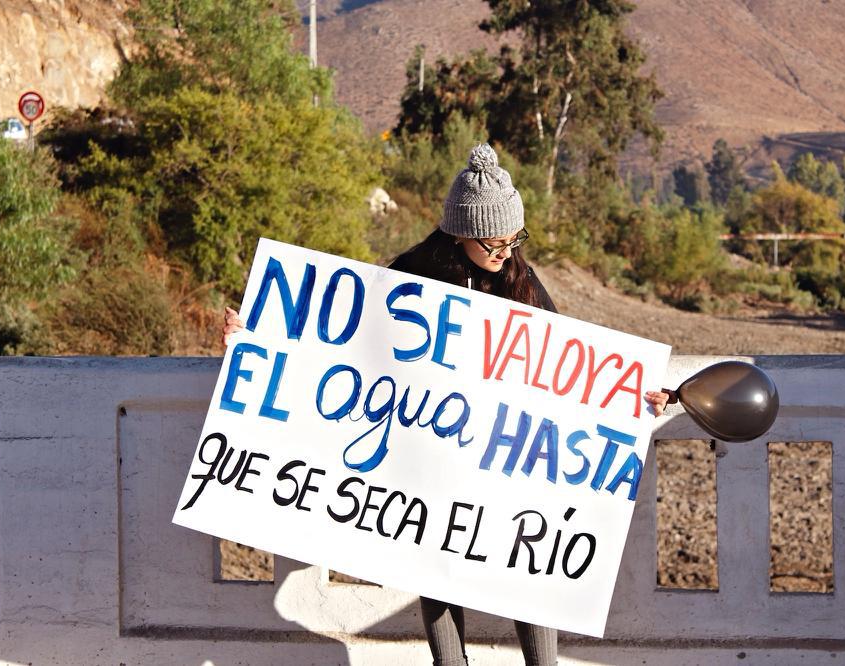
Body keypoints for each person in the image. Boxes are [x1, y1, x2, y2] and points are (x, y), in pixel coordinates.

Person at [223, 143, 669, 665]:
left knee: (530, 571)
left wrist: (630, 395)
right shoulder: (410, 274)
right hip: (429, 459)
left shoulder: (521, 279)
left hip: (504, 459)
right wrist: (254, 336)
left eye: (514, 239)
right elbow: (340, 344)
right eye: (493, 242)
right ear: (460, 232)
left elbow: (569, 373)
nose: (505, 252)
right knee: (436, 568)